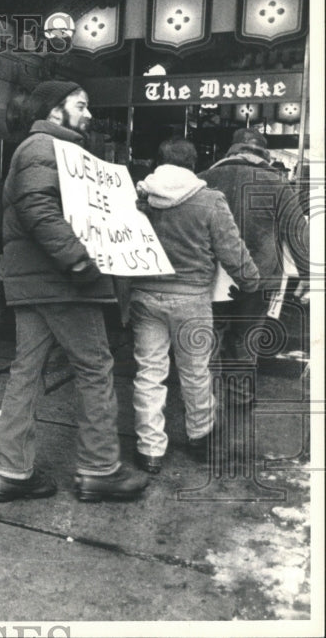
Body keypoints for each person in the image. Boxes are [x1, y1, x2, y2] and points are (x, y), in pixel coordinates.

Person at [0, 80, 149, 503]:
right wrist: (77, 259)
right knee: (95, 367)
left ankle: (12, 472)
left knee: (27, 372)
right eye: (82, 104)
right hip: (61, 282)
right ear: (55, 110)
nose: (89, 113)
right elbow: (37, 207)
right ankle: (99, 470)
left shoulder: (48, 150)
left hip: (37, 282)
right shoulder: (44, 148)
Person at [128, 139, 259, 474]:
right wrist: (251, 283)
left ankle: (150, 450)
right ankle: (200, 438)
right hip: (191, 300)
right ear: (195, 163)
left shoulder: (140, 197)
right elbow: (232, 250)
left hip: (144, 294)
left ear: (158, 160)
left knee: (149, 372)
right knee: (196, 372)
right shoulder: (210, 199)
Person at [199, 128, 309, 410]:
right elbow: (298, 234)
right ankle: (240, 399)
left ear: (232, 151)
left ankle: (203, 402)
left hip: (210, 277)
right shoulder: (277, 183)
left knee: (209, 337)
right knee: (246, 338)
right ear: (264, 155)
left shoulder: (203, 179)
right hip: (259, 277)